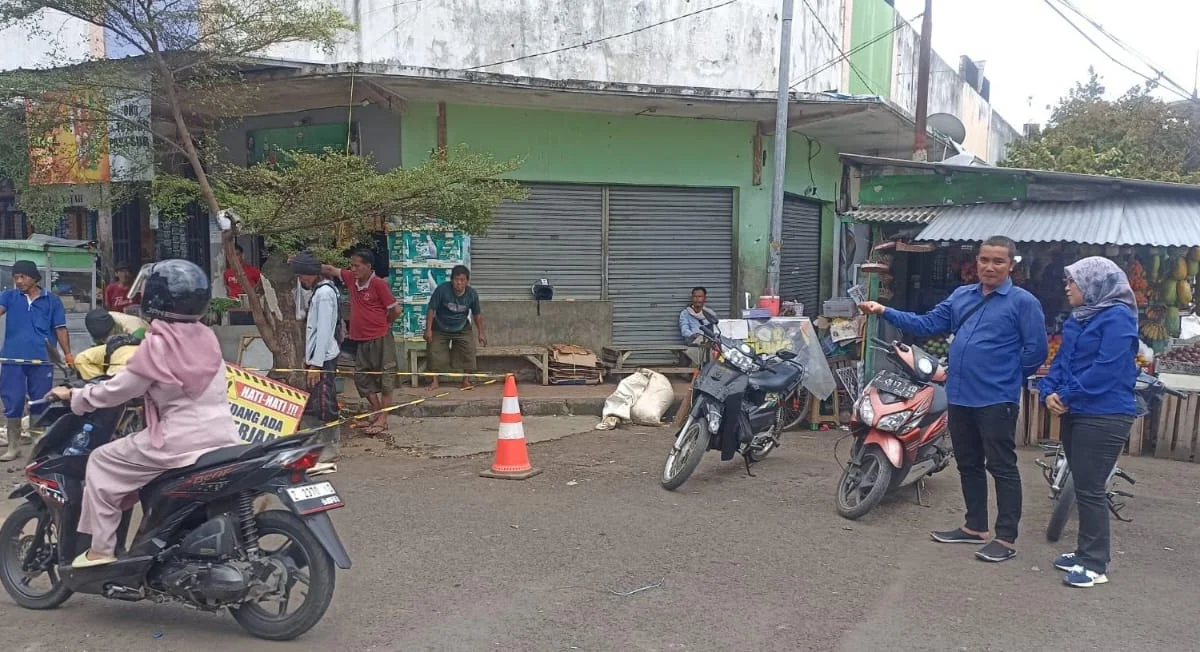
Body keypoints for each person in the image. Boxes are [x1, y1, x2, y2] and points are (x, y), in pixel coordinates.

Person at [858, 236, 1047, 563]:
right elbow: (928, 323)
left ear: (1011, 265)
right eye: (984, 260)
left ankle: (1005, 537)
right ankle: (974, 526)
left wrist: (1007, 378)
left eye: (998, 261)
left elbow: (1037, 351)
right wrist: (884, 310)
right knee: (968, 463)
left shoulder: (1023, 302)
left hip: (996, 398)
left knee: (1001, 466)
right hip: (960, 394)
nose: (989, 267)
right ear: (977, 262)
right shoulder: (963, 296)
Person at [45, 259, 241, 568]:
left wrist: (77, 396)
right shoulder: (207, 338)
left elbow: (118, 390)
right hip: (223, 434)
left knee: (101, 460)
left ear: (155, 300)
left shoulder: (157, 345)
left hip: (178, 440)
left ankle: (102, 550)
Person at [1037, 257, 1139, 588]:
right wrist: (1048, 390)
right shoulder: (1077, 320)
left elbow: (1106, 369)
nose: (1067, 287)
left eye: (1074, 282)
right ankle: (1083, 553)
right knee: (1081, 485)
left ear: (1095, 285)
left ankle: (1096, 564)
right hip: (1077, 410)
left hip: (1105, 414)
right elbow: (1062, 362)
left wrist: (1065, 395)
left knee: (1091, 489)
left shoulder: (1119, 319)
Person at [318, 250, 399, 435]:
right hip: (361, 339)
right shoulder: (351, 280)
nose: (353, 269)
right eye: (351, 265)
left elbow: (396, 310)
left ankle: (383, 419)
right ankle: (377, 412)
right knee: (361, 377)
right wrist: (303, 262)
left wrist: (384, 324)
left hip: (381, 337)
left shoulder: (378, 284)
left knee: (386, 376)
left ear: (368, 266)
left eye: (357, 266)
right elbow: (331, 269)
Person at [0, 260, 73, 462]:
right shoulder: (9, 296)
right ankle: (13, 447)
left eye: (23, 277)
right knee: (12, 401)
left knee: (40, 402)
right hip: (11, 358)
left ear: (34, 278)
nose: (19, 281)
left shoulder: (52, 301)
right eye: (16, 277)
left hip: (42, 360)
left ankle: (37, 447)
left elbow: (60, 329)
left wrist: (67, 354)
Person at [292, 252, 342, 424]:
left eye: (301, 276)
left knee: (324, 401)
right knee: (318, 399)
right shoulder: (319, 291)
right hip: (317, 355)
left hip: (323, 356)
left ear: (309, 274)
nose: (301, 280)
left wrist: (316, 364)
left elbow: (324, 331)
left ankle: (329, 439)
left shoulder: (324, 294)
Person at [424, 265, 486, 390]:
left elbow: (477, 314)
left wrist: (481, 333)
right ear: (452, 280)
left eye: (462, 280)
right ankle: (435, 381)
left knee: (469, 350)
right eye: (456, 279)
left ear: (467, 281)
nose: (459, 283)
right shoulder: (442, 290)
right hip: (440, 326)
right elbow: (431, 309)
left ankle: (465, 381)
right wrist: (428, 329)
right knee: (434, 350)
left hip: (462, 326)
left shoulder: (472, 294)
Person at [74, 308, 149, 379]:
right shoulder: (95, 321)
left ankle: (111, 386)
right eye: (102, 338)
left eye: (105, 336)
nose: (104, 340)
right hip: (112, 348)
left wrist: (119, 343)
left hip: (138, 349)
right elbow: (98, 345)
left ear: (113, 327)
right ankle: (98, 385)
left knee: (119, 364)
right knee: (82, 359)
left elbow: (142, 344)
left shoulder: (133, 324)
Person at [679, 287, 719, 366]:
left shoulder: (710, 313)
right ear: (692, 298)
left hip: (708, 342)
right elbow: (684, 331)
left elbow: (715, 329)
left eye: (700, 297)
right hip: (692, 341)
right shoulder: (685, 313)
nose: (697, 299)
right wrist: (694, 335)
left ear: (705, 298)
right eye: (695, 297)